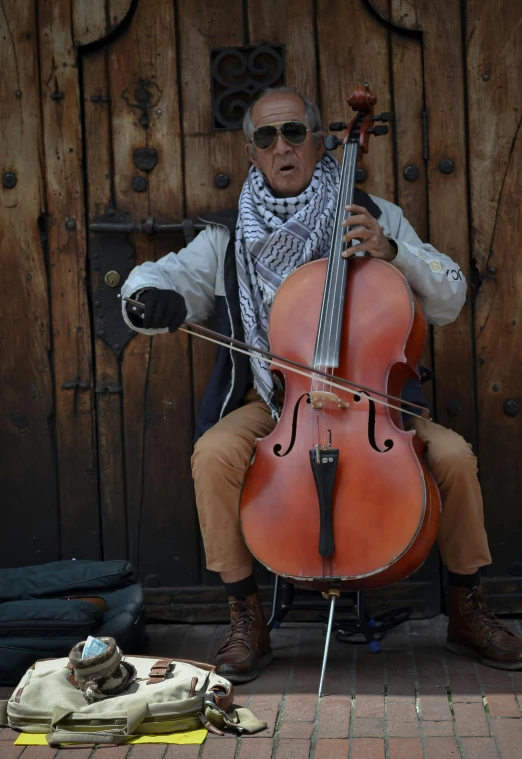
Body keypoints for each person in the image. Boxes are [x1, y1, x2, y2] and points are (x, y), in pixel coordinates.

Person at [121, 87, 522, 682]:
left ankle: (466, 607)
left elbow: (450, 297)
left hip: (370, 400)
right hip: (274, 399)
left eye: (293, 133)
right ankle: (244, 616)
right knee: (213, 455)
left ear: (318, 141)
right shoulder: (228, 237)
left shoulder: (373, 215)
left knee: (455, 458)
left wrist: (395, 254)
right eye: (265, 138)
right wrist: (147, 298)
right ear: (252, 153)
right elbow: (158, 277)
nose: (281, 147)